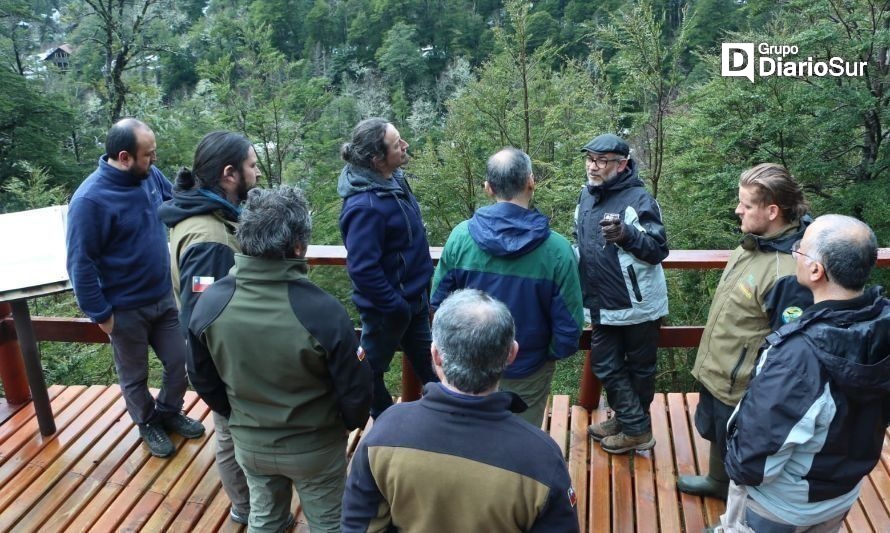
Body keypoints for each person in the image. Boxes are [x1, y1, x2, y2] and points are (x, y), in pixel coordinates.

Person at [187, 185, 371, 532]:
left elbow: (200, 376)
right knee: (330, 522)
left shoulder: (211, 304)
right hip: (315, 447)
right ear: (299, 246)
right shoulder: (322, 312)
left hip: (251, 443)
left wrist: (235, 415)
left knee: (265, 517)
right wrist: (346, 424)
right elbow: (356, 388)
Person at [341, 289, 580, 532]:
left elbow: (358, 526)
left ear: (435, 355)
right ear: (511, 354)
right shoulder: (542, 457)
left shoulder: (386, 431)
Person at [722, 214, 889, 531]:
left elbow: (754, 457)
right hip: (842, 491)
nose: (795, 251)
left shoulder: (798, 356)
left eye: (801, 247)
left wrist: (735, 468)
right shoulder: (882, 325)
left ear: (816, 270)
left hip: (781, 507)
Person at [66, 118, 205, 459]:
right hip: (123, 309)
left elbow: (176, 206)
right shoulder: (90, 201)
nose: (155, 161)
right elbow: (80, 263)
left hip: (162, 298)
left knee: (181, 360)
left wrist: (194, 192)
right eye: (149, 155)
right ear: (125, 157)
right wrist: (101, 315)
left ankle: (169, 412)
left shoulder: (148, 177)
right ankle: (147, 422)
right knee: (135, 375)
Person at [678, 163, 813, 500]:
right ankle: (718, 482)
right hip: (719, 370)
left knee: (741, 450)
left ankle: (737, 513)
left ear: (772, 211)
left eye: (746, 205)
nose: (737, 209)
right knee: (717, 433)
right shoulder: (754, 244)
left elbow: (789, 346)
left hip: (742, 384)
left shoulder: (787, 272)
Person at [431, 147, 584, 426]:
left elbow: (439, 302)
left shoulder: (461, 238)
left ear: (488, 188)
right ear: (531, 181)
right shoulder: (557, 250)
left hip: (468, 364)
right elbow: (570, 324)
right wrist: (546, 356)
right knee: (520, 436)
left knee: (468, 432)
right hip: (528, 367)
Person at [158, 131, 261, 525]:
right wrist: (214, 382)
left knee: (229, 432)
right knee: (231, 433)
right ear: (230, 173)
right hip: (226, 365)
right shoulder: (211, 238)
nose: (257, 174)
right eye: (252, 166)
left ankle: (246, 505)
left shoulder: (206, 218)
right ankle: (249, 509)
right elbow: (204, 319)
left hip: (222, 363)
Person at [574, 133, 669, 454]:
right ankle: (632, 423)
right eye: (590, 159)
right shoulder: (586, 197)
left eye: (601, 161)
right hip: (602, 302)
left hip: (637, 303)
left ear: (622, 164)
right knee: (605, 363)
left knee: (640, 369)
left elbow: (658, 249)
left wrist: (627, 234)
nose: (593, 166)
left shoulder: (641, 200)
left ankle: (634, 427)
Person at [337, 117, 438, 418]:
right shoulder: (364, 206)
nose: (405, 146)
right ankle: (384, 424)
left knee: (435, 368)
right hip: (387, 310)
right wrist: (395, 306)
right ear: (376, 159)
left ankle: (441, 425)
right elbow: (363, 269)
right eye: (397, 144)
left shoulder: (392, 180)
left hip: (413, 301)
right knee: (370, 371)